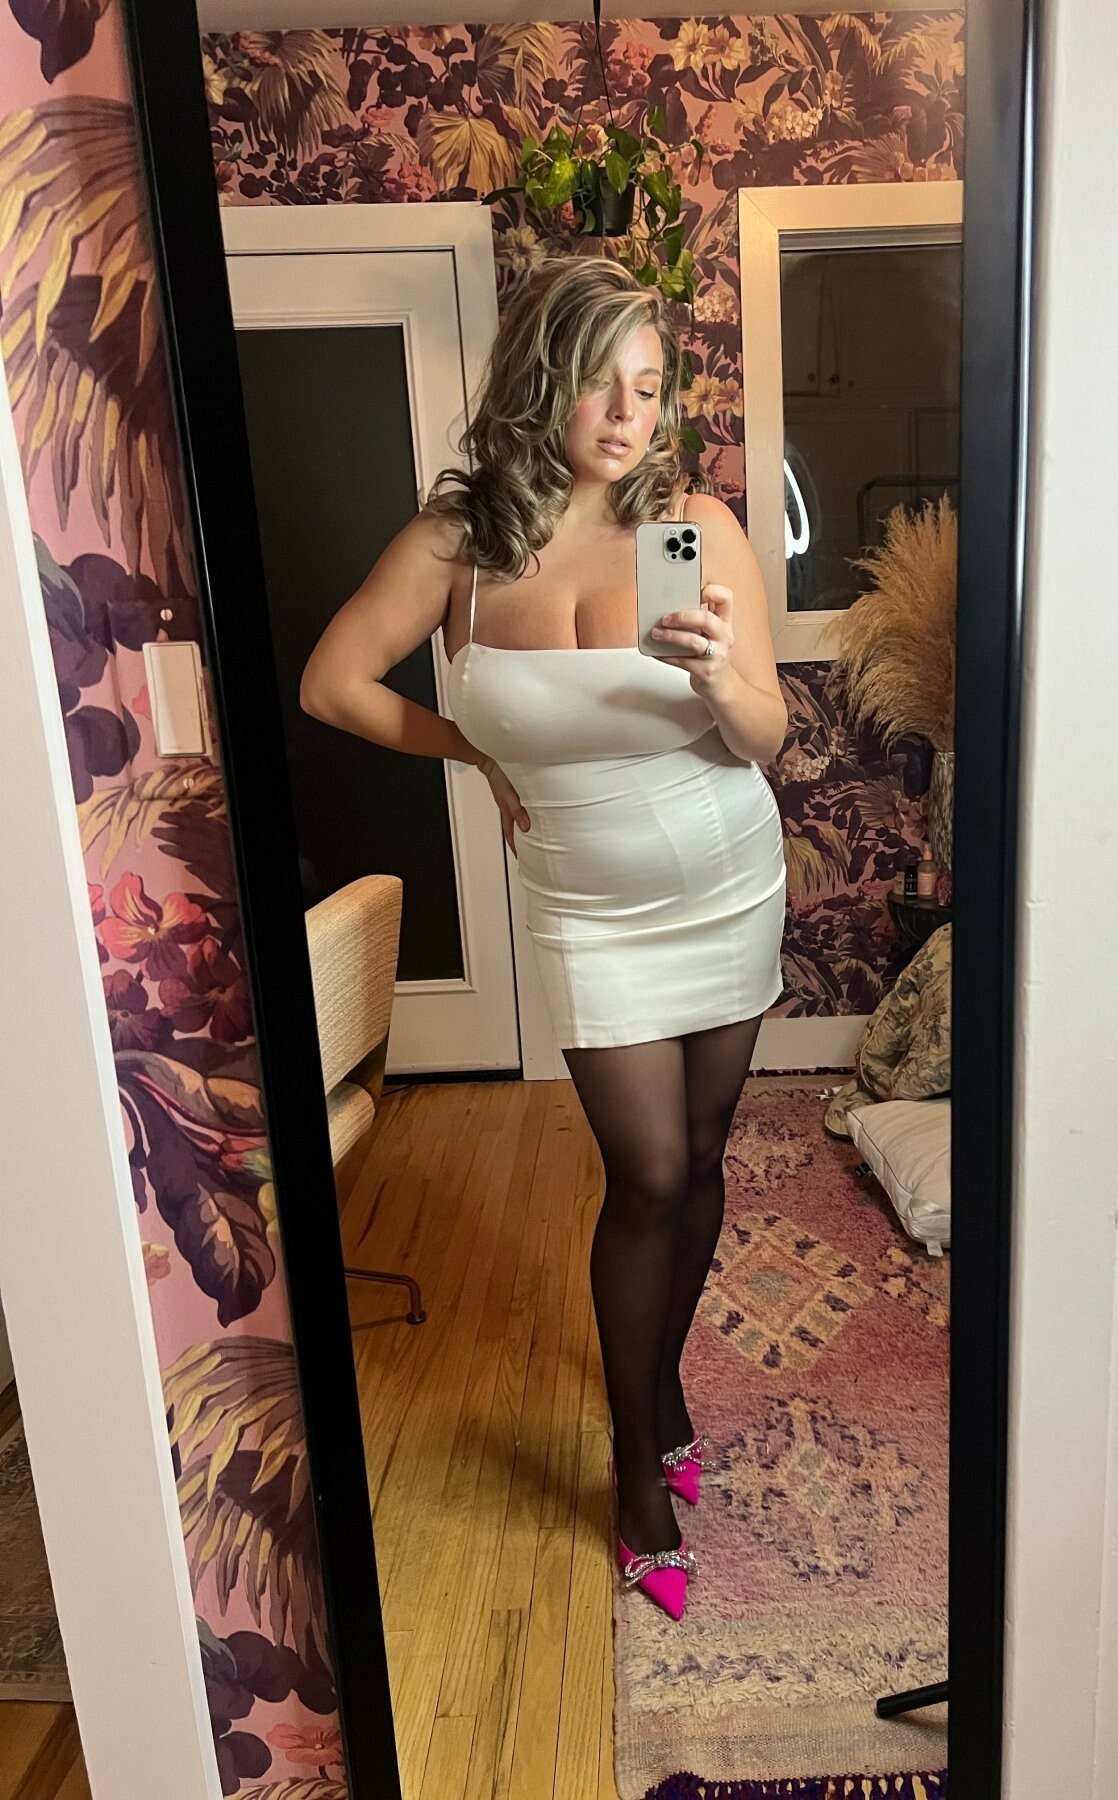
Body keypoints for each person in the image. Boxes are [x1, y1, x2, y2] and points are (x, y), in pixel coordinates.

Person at [300, 256, 788, 1621]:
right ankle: (637, 1470)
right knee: (646, 1171)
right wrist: (474, 751)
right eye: (601, 384)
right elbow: (333, 684)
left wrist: (717, 676)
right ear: (540, 381)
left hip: (728, 876)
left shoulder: (685, 527)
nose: (630, 416)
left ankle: (663, 1388)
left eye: (651, 387)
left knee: (701, 1155)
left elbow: (765, 734)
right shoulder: (457, 544)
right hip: (587, 911)